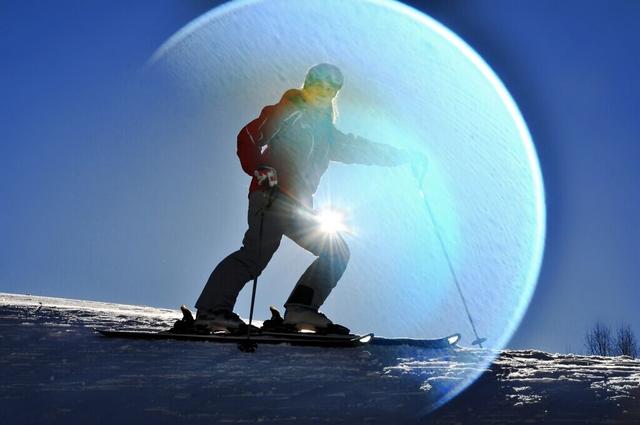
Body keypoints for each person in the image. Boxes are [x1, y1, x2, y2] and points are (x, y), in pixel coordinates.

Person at [194, 63, 426, 333]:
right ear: (307, 84)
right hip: (271, 194)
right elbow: (248, 137)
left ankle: (301, 309)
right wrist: (260, 167)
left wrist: (404, 157)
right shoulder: (288, 111)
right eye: (318, 84)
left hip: (298, 207)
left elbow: (361, 148)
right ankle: (212, 311)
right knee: (256, 254)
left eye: (330, 88)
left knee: (336, 251)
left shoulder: (328, 136)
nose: (323, 90)